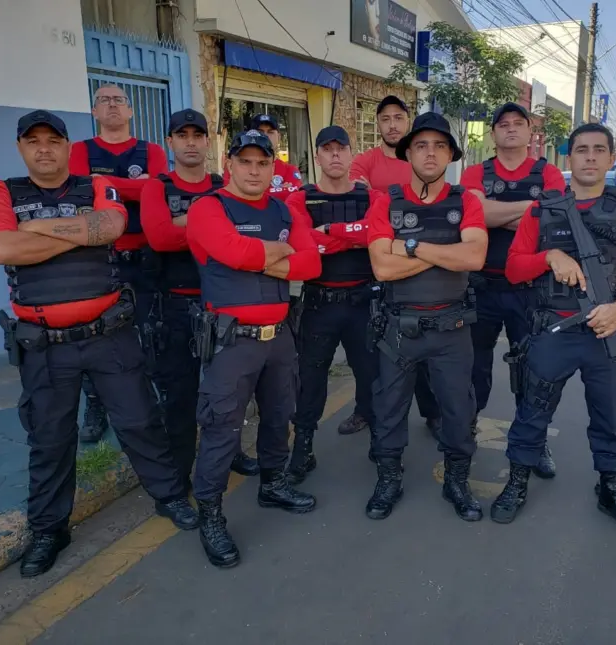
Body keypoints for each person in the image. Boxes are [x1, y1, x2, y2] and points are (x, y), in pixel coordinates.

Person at [0, 110, 197, 578]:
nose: (43, 149)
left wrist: (33, 229)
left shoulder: (97, 186)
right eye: (33, 141)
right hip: (44, 346)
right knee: (50, 439)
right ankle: (49, 530)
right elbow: (1, 248)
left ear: (66, 146)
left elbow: (110, 228)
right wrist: (77, 233)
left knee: (140, 421)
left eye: (53, 140)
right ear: (21, 147)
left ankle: (171, 496)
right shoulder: (2, 192)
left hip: (109, 335)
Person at [493, 123, 616, 536]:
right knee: (532, 412)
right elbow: (513, 268)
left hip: (608, 332)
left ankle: (611, 489)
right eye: (581, 149)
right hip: (553, 328)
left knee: (611, 418)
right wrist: (548, 256)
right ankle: (516, 483)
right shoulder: (540, 210)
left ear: (609, 157)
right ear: (570, 158)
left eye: (597, 150)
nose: (588, 157)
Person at [186, 129, 322, 568]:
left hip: (279, 337)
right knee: (222, 428)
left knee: (279, 415)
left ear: (272, 167)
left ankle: (273, 484)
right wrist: (280, 252)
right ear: (229, 164)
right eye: (245, 161)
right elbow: (228, 250)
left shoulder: (283, 208)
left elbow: (312, 262)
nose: (254, 170)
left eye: (263, 162)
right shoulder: (209, 207)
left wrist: (258, 254)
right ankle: (210, 513)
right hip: (231, 341)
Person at [365, 112, 488, 522]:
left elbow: (473, 257)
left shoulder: (466, 201)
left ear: (451, 154)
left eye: (439, 145)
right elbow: (381, 268)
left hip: (452, 329)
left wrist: (411, 246)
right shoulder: (386, 202)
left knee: (457, 408)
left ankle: (457, 480)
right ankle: (388, 478)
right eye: (421, 145)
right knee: (388, 408)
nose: (430, 152)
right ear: (408, 153)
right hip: (399, 328)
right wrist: (444, 256)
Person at [140, 109, 259, 488]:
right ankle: (179, 478)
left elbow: (245, 235)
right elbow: (159, 237)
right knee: (180, 398)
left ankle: (232, 453)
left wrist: (196, 227)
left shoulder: (226, 183)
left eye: (198, 134)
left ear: (209, 142)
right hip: (176, 308)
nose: (191, 142)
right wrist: (213, 228)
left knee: (231, 393)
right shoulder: (157, 187)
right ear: (170, 142)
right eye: (182, 135)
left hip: (226, 307)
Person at [460, 102, 566, 477]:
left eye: (517, 124)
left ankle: (535, 443)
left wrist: (497, 213)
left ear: (530, 132)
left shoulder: (548, 171)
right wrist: (529, 209)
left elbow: (552, 218)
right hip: (482, 286)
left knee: (533, 370)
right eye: (502, 125)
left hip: (531, 289)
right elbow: (475, 216)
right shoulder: (476, 172)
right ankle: (465, 432)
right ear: (493, 134)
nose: (510, 130)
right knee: (473, 366)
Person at [69, 83, 170, 443]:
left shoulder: (152, 151)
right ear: (94, 112)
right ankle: (96, 405)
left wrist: (105, 183)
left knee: (150, 331)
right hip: (99, 259)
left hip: (145, 257)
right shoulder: (79, 150)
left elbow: (154, 191)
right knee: (95, 337)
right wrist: (131, 186)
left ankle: (153, 400)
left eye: (119, 100)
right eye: (103, 101)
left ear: (130, 111)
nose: (112, 105)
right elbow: (82, 189)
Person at [283, 126, 382, 482]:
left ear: (352, 154)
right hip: (319, 303)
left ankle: (381, 444)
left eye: (342, 148)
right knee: (309, 380)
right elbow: (303, 244)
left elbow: (377, 234)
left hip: (364, 302)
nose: (335, 154)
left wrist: (329, 233)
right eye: (328, 148)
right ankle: (303, 449)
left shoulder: (371, 197)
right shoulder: (299, 198)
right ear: (318, 156)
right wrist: (352, 236)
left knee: (373, 376)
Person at [351, 95, 442, 437]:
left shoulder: (419, 158)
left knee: (424, 347)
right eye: (385, 119)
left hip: (420, 269)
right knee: (375, 349)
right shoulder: (364, 161)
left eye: (398, 118)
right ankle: (367, 412)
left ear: (408, 122)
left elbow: (430, 205)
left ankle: (432, 413)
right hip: (378, 261)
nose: (392, 125)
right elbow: (361, 201)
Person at [223, 114, 303, 201]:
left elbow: (295, 199)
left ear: (279, 137)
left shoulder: (290, 170)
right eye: (260, 131)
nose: (266, 136)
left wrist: (253, 191)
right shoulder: (236, 166)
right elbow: (231, 197)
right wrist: (279, 190)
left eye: (270, 132)